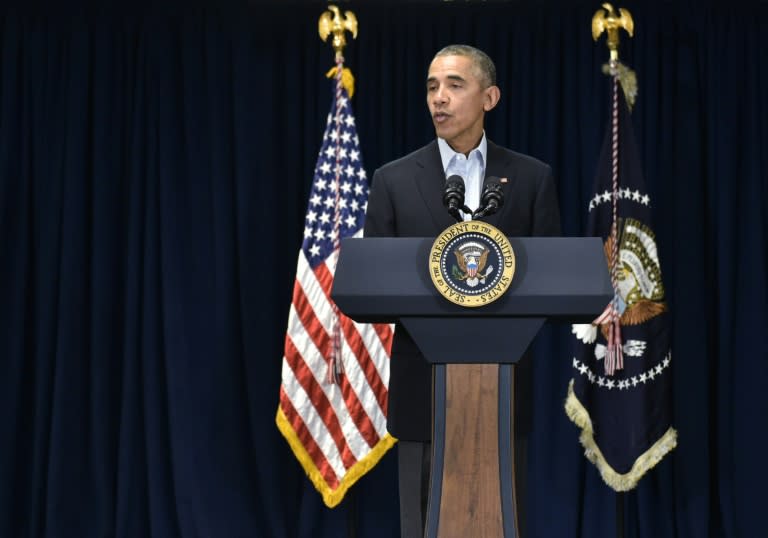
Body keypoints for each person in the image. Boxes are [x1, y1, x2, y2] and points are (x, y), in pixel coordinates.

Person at [364, 44, 561, 537]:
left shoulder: (532, 179)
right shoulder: (393, 181)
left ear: (489, 97)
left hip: (503, 391)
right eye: (432, 86)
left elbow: (554, 279)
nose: (439, 98)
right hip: (421, 390)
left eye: (455, 85)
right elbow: (373, 285)